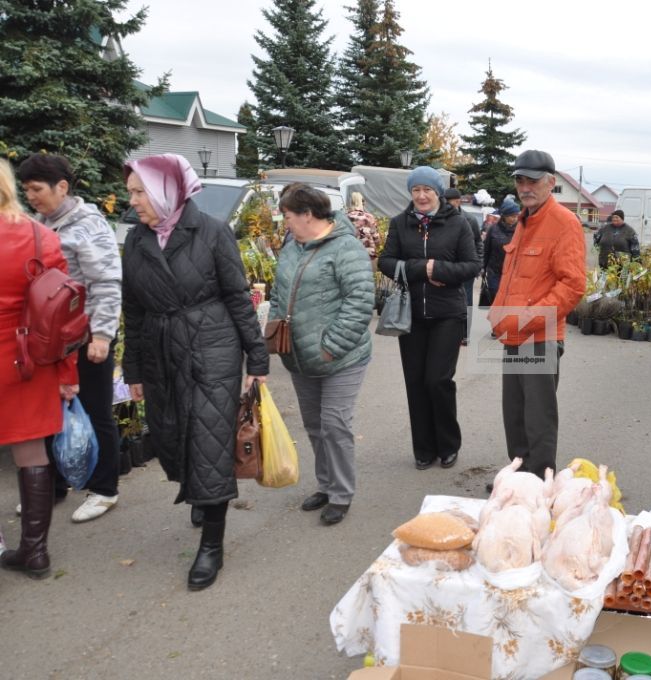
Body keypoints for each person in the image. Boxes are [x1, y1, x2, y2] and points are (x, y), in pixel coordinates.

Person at [121, 154, 269, 590]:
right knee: (171, 433)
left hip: (212, 348)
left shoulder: (212, 232)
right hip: (162, 350)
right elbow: (133, 308)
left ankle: (211, 546)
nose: (132, 202)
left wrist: (256, 360)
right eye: (130, 192)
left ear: (166, 191)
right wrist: (133, 367)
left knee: (207, 440)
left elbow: (239, 298)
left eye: (138, 192)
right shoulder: (136, 240)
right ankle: (201, 494)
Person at [17, 153, 123, 523]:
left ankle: (105, 489)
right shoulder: (40, 224)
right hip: (51, 339)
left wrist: (103, 336)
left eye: (37, 189)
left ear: (62, 187)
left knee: (95, 410)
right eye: (26, 189)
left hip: (88, 334)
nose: (30, 195)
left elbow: (106, 282)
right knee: (49, 410)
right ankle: (53, 486)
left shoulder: (88, 226)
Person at [269, 184, 374, 526]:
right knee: (314, 425)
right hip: (299, 355)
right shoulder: (291, 245)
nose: (284, 222)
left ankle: (342, 494)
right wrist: (272, 329)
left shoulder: (346, 248)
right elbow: (279, 291)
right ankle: (326, 485)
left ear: (307, 215)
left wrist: (332, 345)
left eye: (287, 216)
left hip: (341, 356)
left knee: (334, 423)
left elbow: (360, 301)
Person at [0, 158, 78, 579]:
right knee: (31, 452)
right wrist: (67, 374)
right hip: (25, 361)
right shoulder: (40, 236)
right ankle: (35, 552)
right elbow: (61, 315)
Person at [487, 150, 587, 479]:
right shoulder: (525, 220)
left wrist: (525, 319)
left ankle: (540, 485)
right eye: (520, 180)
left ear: (551, 183)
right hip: (515, 331)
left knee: (537, 417)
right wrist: (498, 316)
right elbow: (513, 275)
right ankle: (519, 478)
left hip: (539, 335)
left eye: (533, 180)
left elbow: (572, 285)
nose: (525, 186)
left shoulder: (563, 223)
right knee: (514, 412)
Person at [378, 167, 479, 470]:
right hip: (411, 314)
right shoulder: (400, 223)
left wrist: (441, 271)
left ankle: (448, 444)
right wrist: (423, 268)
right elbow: (385, 261)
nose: (421, 196)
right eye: (415, 190)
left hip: (448, 312)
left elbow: (472, 265)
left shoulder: (459, 224)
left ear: (437, 192)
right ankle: (423, 449)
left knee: (437, 380)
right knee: (416, 382)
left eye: (427, 190)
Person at [444, 187, 483, 345]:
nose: (446, 204)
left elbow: (478, 243)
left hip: (466, 267)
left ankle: (465, 334)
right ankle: (447, 332)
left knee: (466, 300)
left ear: (458, 201)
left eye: (449, 202)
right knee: (447, 299)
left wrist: (478, 264)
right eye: (444, 201)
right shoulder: (440, 218)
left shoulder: (469, 220)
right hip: (446, 267)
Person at [479, 198, 521, 307]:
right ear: (504, 216)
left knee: (509, 301)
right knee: (495, 297)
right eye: (511, 216)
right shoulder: (493, 229)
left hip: (513, 273)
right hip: (494, 272)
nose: (514, 219)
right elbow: (486, 250)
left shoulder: (521, 230)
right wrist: (483, 267)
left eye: (516, 216)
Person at [347, 191, 381, 266]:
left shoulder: (345, 217)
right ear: (362, 202)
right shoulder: (369, 217)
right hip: (368, 255)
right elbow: (376, 238)